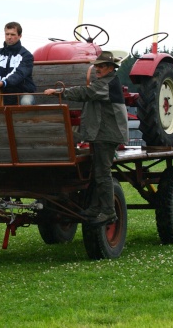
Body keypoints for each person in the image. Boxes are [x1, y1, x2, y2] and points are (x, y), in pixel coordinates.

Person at [44, 51, 128, 226]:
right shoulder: (104, 82)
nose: (97, 69)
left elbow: (86, 93)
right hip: (100, 134)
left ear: (111, 68)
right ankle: (95, 208)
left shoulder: (108, 83)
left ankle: (108, 212)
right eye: (96, 66)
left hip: (106, 135)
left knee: (103, 173)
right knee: (97, 172)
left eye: (101, 66)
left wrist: (59, 92)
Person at [0, 21, 36, 106]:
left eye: (12, 35)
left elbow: (19, 74)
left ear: (20, 36)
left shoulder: (26, 55)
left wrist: (3, 83)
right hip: (2, 94)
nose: (9, 37)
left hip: (23, 93)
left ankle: (24, 120)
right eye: (7, 34)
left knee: (26, 103)